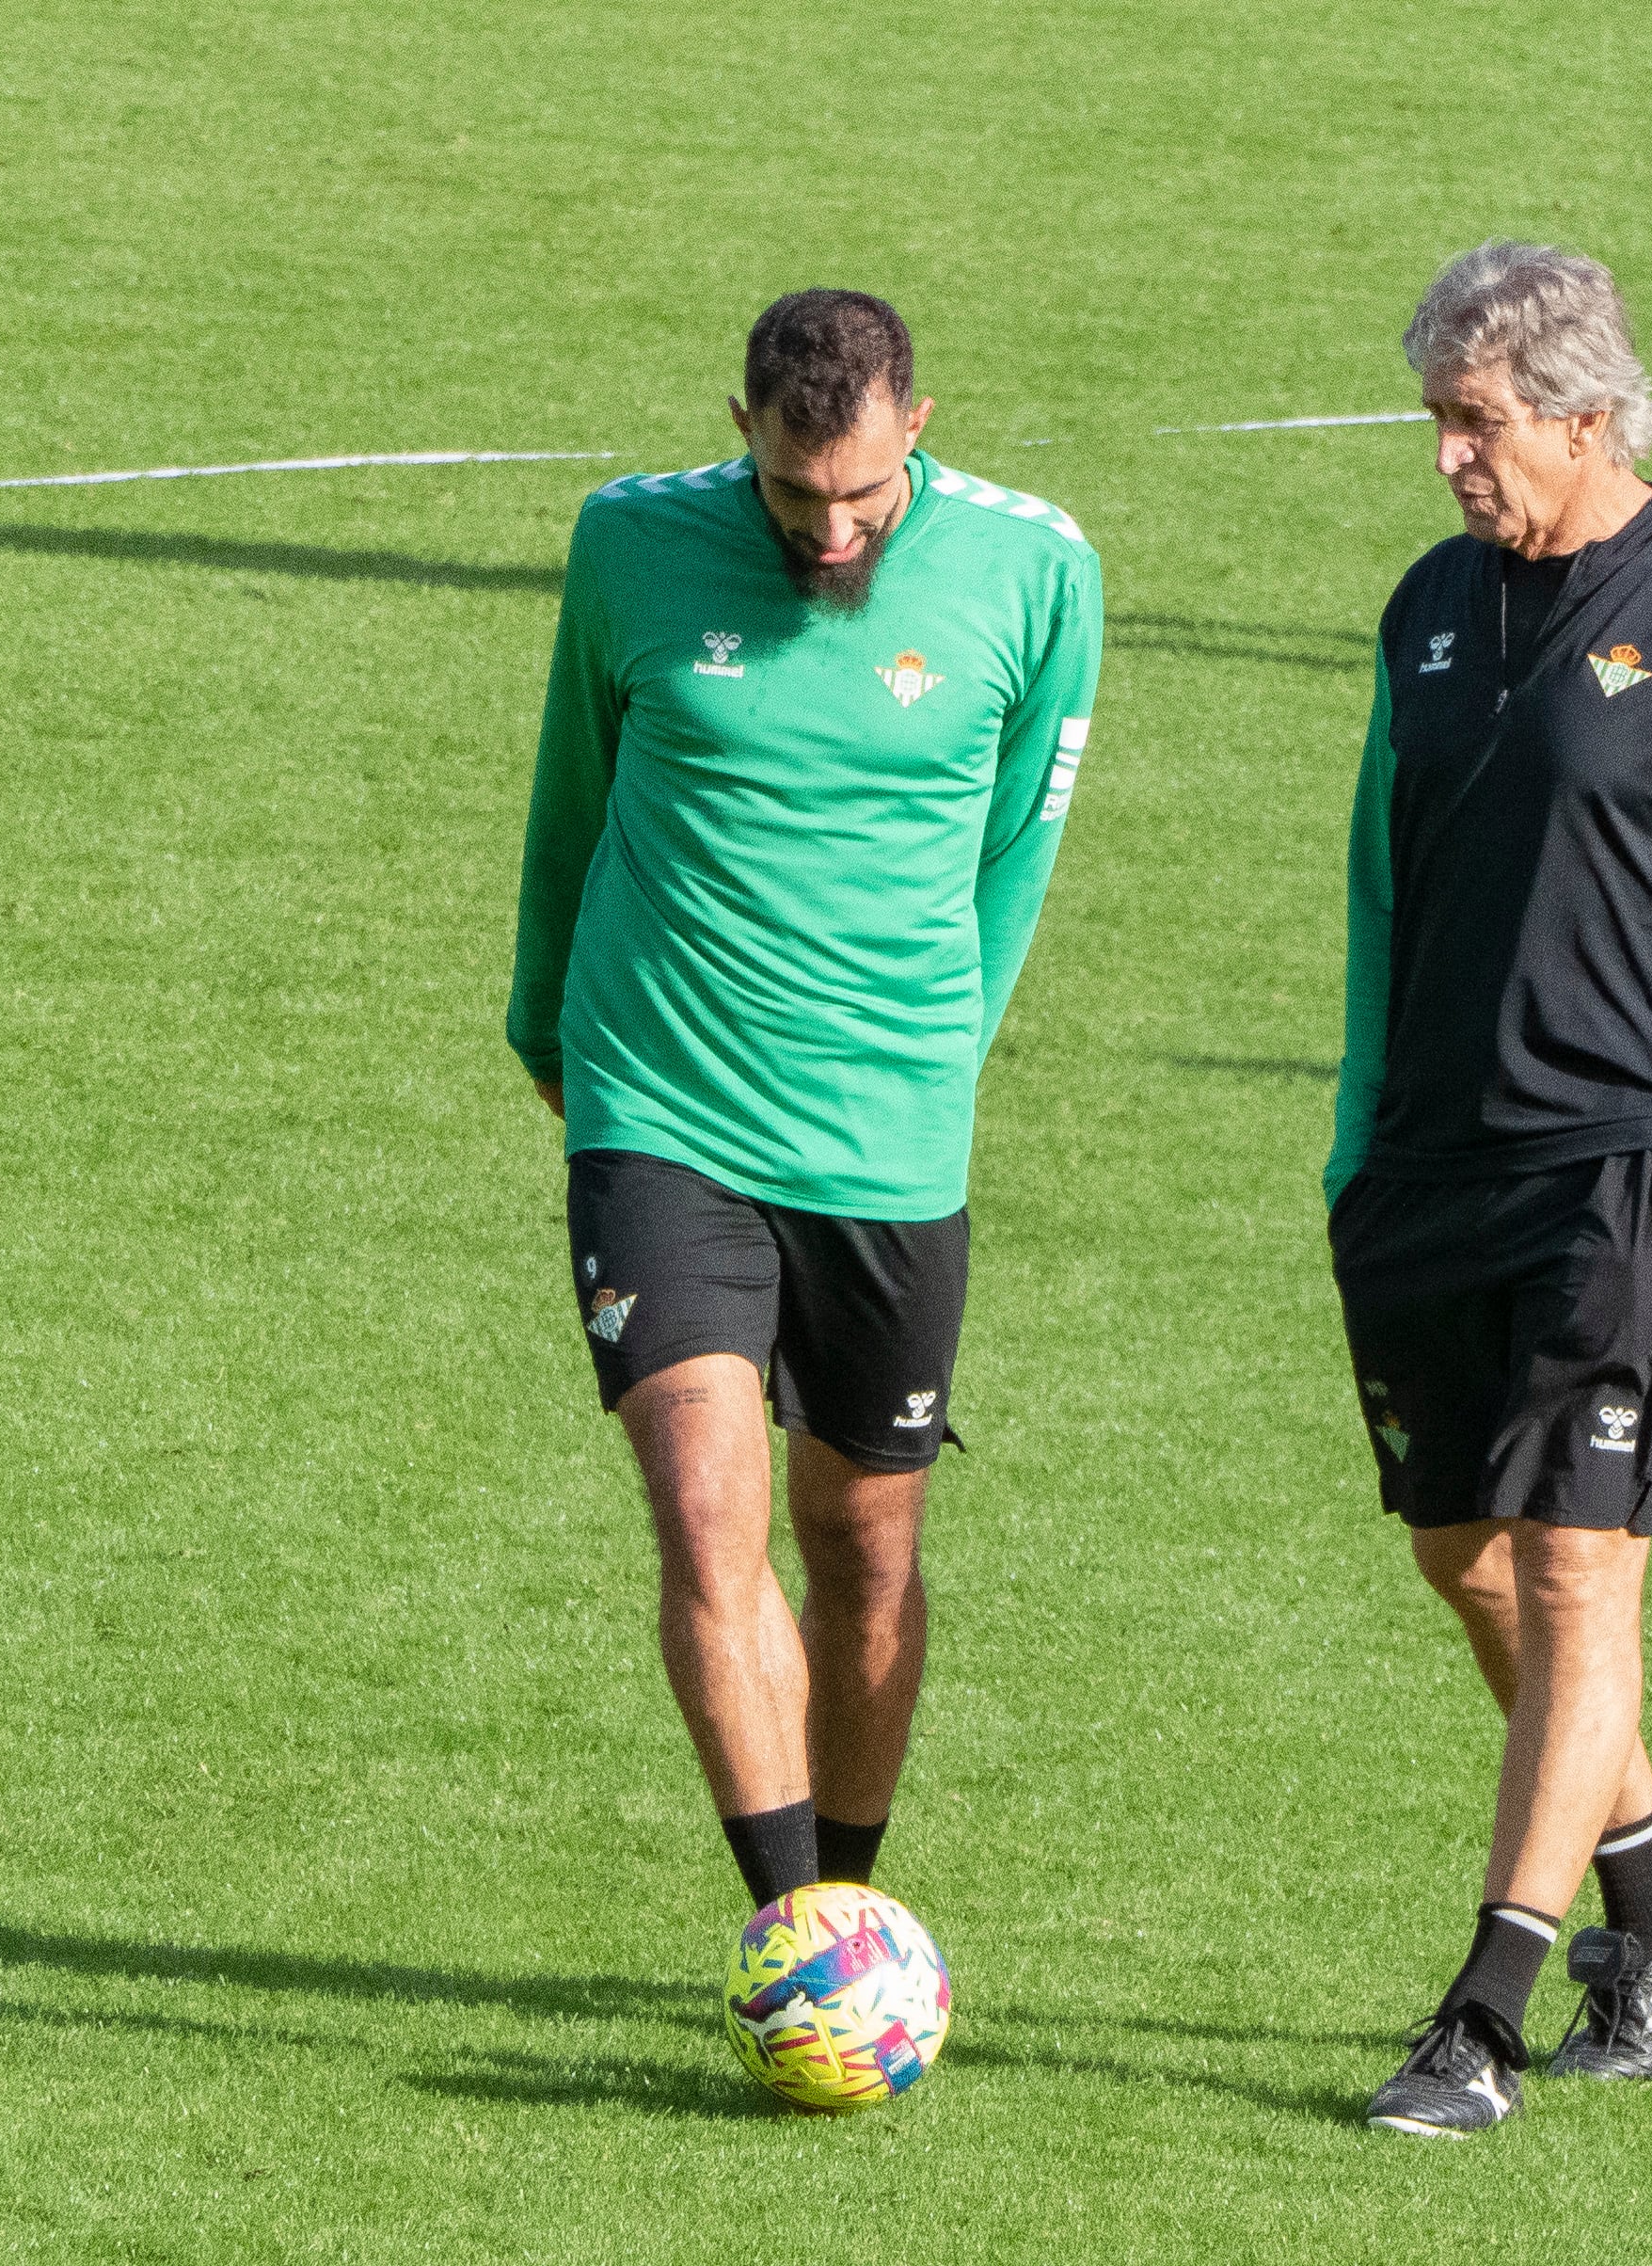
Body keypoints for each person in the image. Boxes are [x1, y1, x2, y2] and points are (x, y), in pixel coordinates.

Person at [504, 289, 1103, 1920]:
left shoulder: (1039, 568)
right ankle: (794, 1925)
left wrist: (938, 1048)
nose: (830, 532)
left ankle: (854, 1886)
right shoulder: (626, 544)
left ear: (918, 421)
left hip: (887, 1127)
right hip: (658, 1093)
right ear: (741, 429)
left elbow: (1018, 848)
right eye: (790, 494)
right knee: (708, 1519)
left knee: (865, 1545)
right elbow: (575, 780)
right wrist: (542, 1012)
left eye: (860, 494)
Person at [1329, 242, 1652, 2135]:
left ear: (1582, 412)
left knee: (1567, 1570)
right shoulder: (1428, 610)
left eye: (1473, 425)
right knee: (1458, 1557)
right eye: (1436, 426)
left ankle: (1480, 2011)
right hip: (1424, 1174)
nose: (1450, 463)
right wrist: (1351, 1144)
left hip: (1617, 1173)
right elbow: (1385, 889)